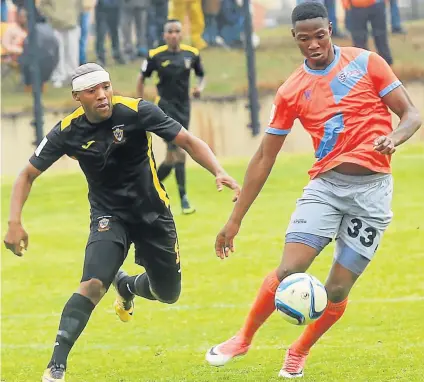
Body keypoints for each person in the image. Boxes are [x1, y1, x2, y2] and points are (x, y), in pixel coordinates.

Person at [205, 3, 421, 379]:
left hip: (372, 195)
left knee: (336, 290)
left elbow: (412, 114)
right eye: (304, 39)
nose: (314, 45)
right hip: (326, 188)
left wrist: (395, 137)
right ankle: (242, 338)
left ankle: (298, 351)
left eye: (320, 36)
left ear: (330, 29)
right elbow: (263, 158)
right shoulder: (291, 90)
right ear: (295, 38)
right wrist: (234, 220)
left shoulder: (367, 63)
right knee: (290, 268)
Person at [3, 63, 239, 382]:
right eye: (92, 91)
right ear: (77, 97)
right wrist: (14, 222)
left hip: (153, 214)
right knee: (92, 284)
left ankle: (127, 285)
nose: (102, 95)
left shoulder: (137, 111)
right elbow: (26, 174)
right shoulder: (66, 131)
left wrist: (218, 170)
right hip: (107, 216)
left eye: (106, 86)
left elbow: (187, 141)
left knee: (168, 293)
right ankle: (55, 366)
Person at [136, 19, 206, 215]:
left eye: (177, 31)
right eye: (170, 32)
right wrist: (140, 104)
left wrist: (199, 88)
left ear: (181, 34)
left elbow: (201, 75)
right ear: (164, 35)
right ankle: (184, 199)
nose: (174, 35)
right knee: (179, 151)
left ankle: (146, 190)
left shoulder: (191, 54)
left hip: (184, 108)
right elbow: (141, 78)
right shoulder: (155, 56)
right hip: (164, 109)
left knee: (171, 158)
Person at [342, 0, 393, 65]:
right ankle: (362, 64)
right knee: (360, 40)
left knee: (380, 37)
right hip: (358, 4)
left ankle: (386, 63)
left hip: (375, 3)